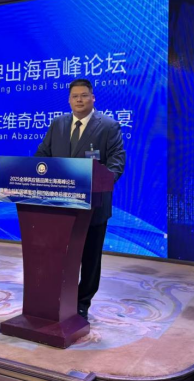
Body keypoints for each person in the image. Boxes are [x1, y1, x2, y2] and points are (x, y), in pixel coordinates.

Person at [35, 78, 126, 319]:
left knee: (90, 257)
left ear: (93, 98)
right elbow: (42, 154)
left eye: (84, 95)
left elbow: (117, 161)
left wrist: (102, 181)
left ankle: (82, 302)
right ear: (69, 100)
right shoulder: (58, 124)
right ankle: (56, 296)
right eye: (75, 96)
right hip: (59, 205)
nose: (79, 100)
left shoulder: (109, 126)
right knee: (58, 255)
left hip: (93, 205)